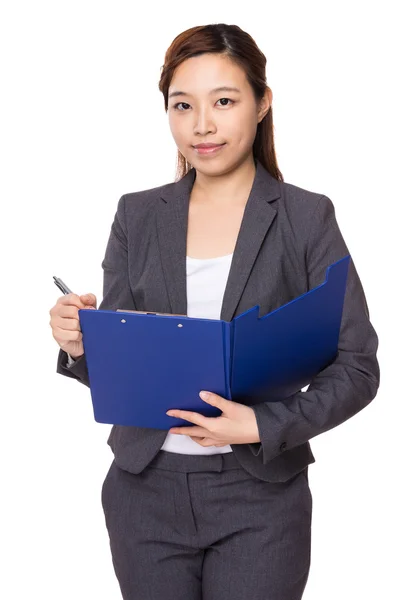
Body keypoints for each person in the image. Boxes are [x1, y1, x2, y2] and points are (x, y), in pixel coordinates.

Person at [49, 23, 380, 600]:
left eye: (223, 101)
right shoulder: (137, 216)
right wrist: (83, 343)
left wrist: (261, 424)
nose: (202, 124)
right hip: (144, 489)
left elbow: (357, 367)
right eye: (183, 106)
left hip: (260, 495)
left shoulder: (306, 218)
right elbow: (126, 368)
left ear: (261, 104)